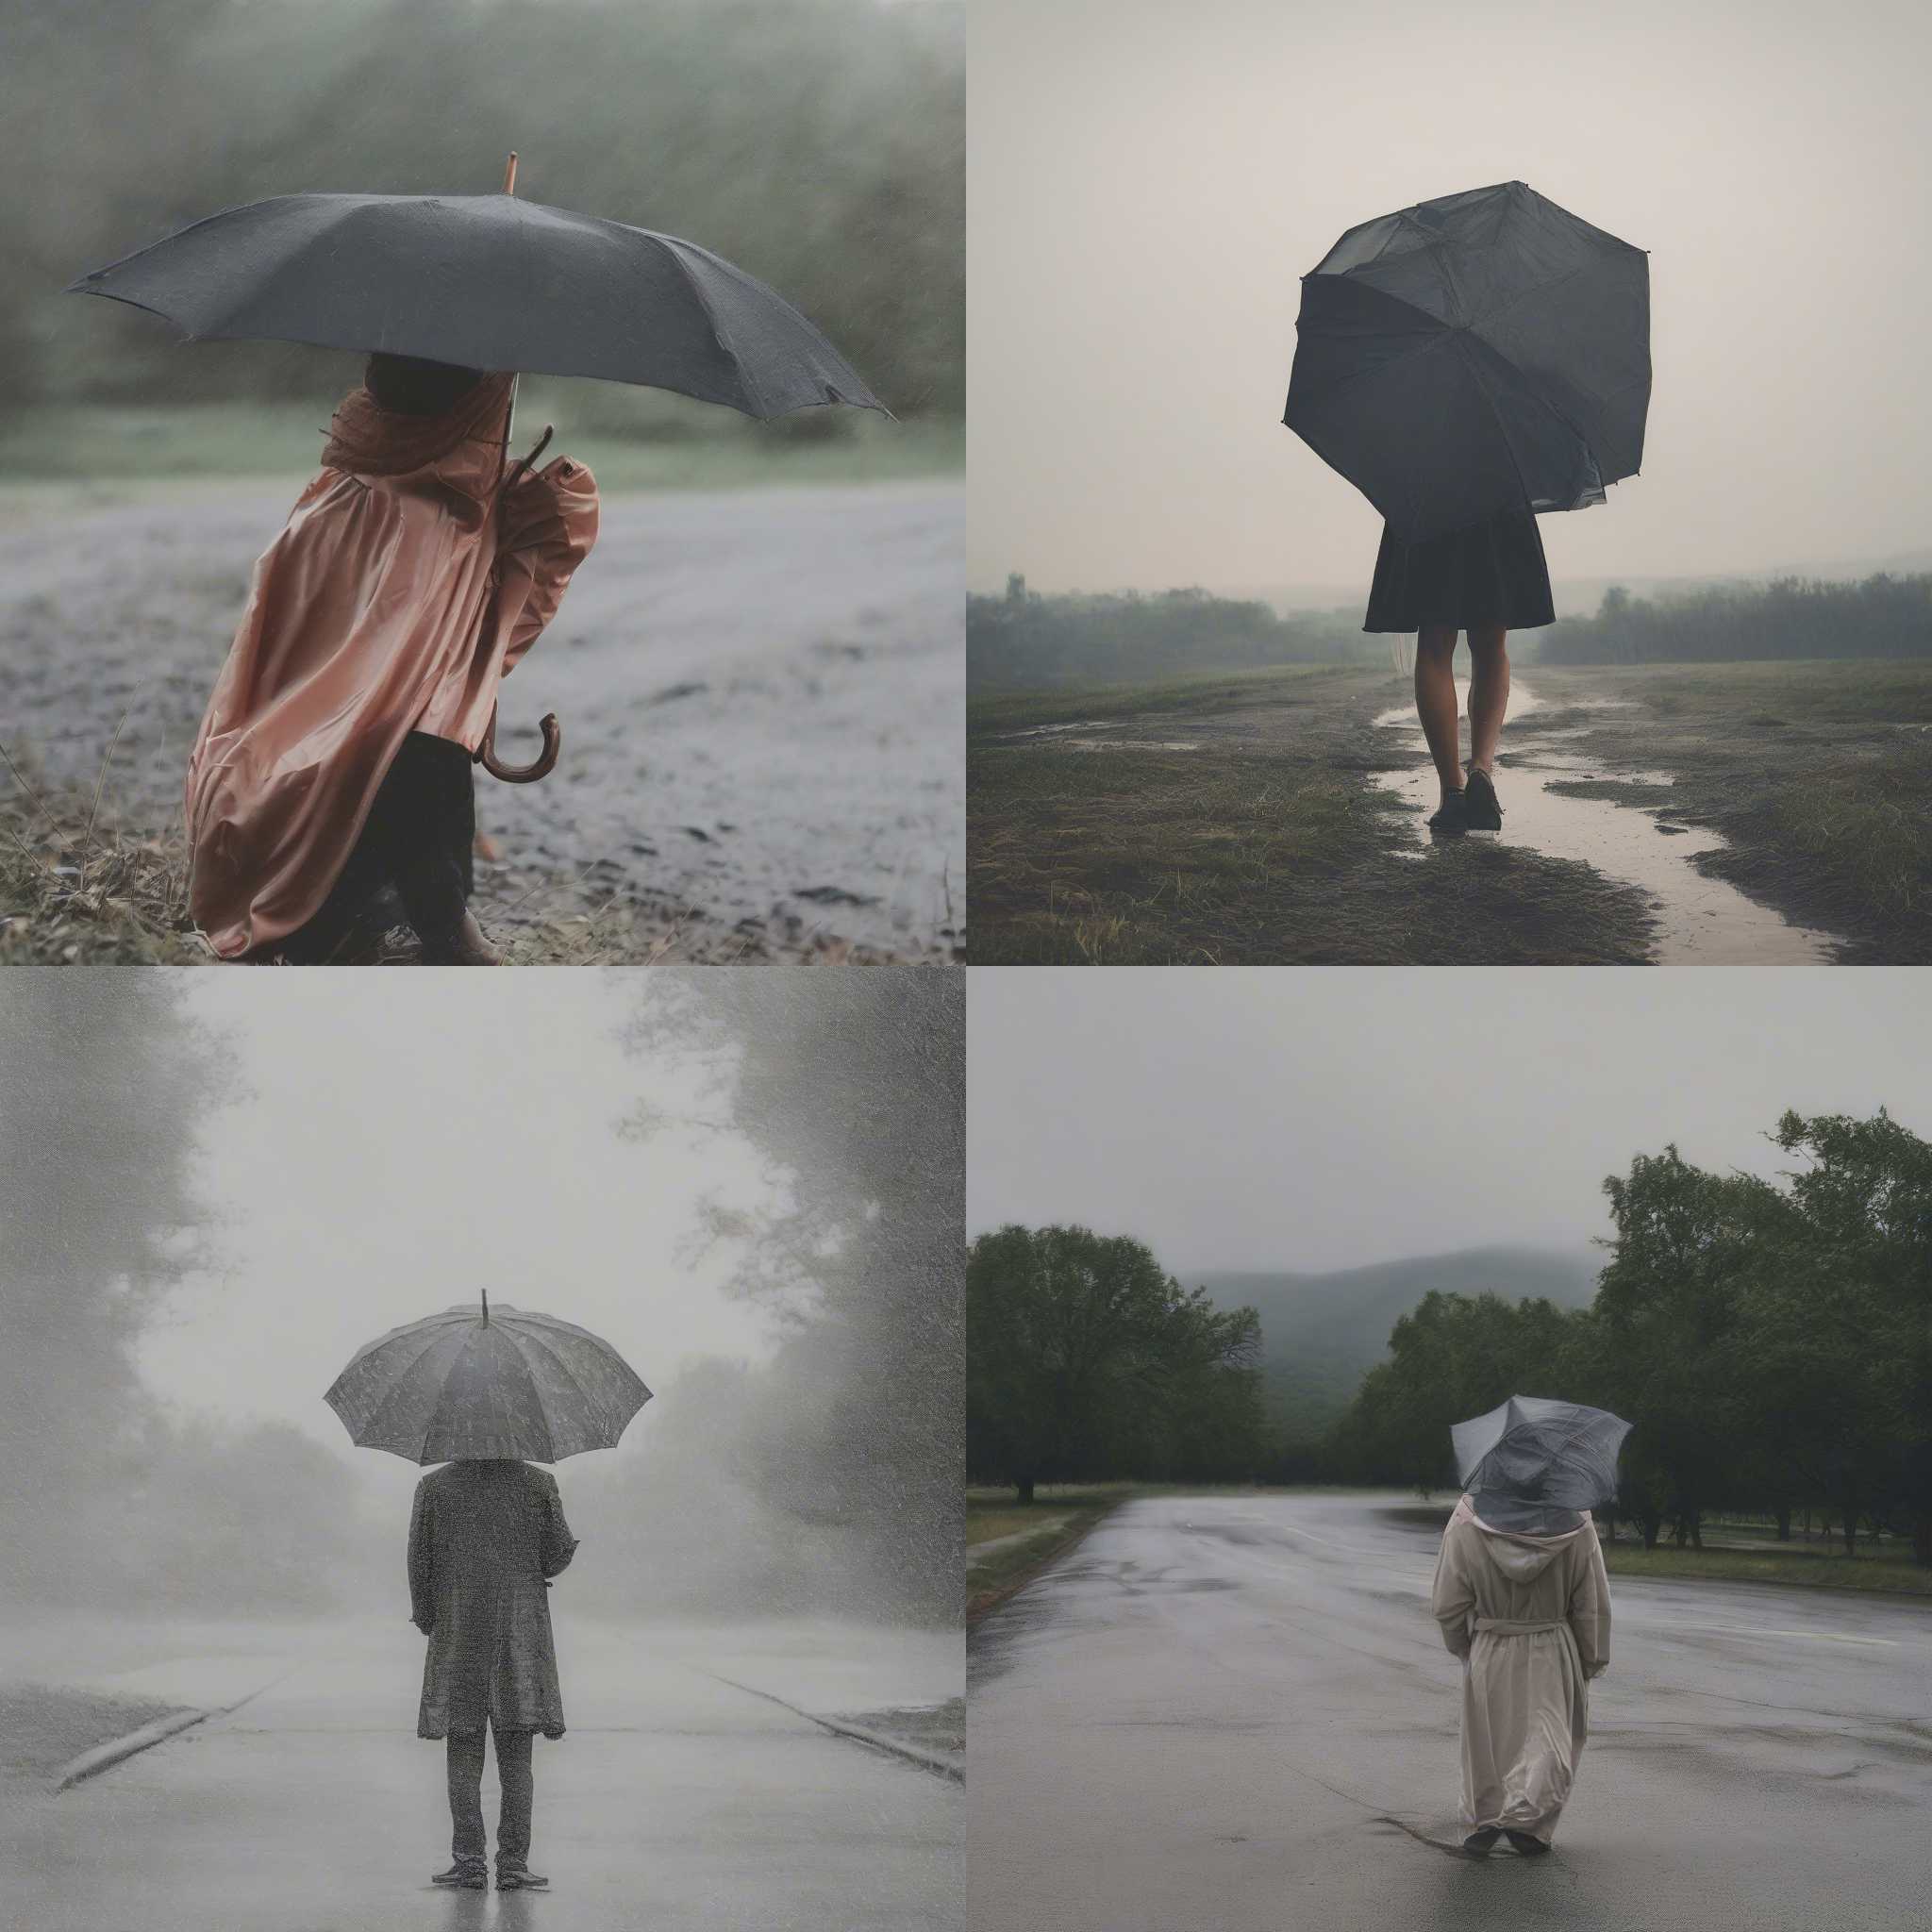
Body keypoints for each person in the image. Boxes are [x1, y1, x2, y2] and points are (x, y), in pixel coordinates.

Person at [184, 353, 599, 962]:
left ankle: (410, 917)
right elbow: (414, 676)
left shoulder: (342, 495)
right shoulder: (426, 515)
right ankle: (437, 924)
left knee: (420, 746)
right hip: (347, 759)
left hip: (305, 754)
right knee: (422, 749)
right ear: (473, 405)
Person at [408, 1457, 579, 1892]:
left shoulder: (435, 1486)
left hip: (460, 1624)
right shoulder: (539, 1482)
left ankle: (468, 1863)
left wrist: (429, 1617)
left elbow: (419, 1559)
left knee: (463, 1745)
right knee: (517, 1752)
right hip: (519, 1627)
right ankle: (514, 1863)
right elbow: (555, 1554)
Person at [1428, 1487, 1610, 1857]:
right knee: (1548, 1733)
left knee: (1489, 1738)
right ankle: (1531, 1820)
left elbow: (1448, 1601)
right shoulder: (1578, 1523)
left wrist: (1461, 1644)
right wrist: (1592, 1657)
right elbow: (1591, 1602)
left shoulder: (1466, 1520)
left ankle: (1486, 1819)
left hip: (1490, 1642)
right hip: (1551, 1644)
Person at [1363, 508, 1555, 835]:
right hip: (1496, 501)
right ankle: (1481, 770)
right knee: (1491, 644)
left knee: (1435, 647)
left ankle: (1452, 790)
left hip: (1429, 504)